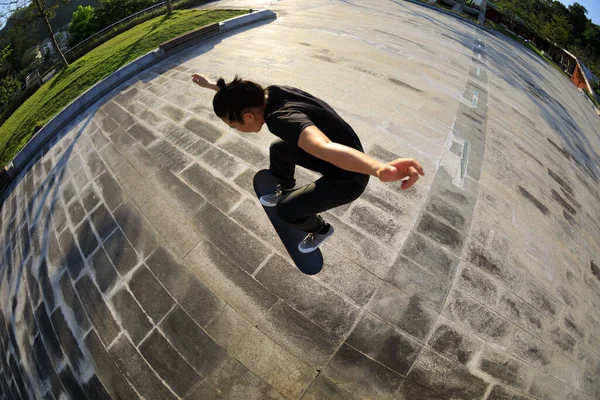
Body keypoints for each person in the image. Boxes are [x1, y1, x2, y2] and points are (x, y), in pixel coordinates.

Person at [191, 74, 425, 253]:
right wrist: (212, 86)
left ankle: (320, 229)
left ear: (248, 116)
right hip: (343, 154)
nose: (238, 130)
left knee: (286, 210)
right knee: (279, 149)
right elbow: (236, 94)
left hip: (348, 177)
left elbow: (323, 147)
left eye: (234, 126)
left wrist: (379, 169)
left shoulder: (280, 119)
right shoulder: (270, 93)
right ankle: (285, 187)